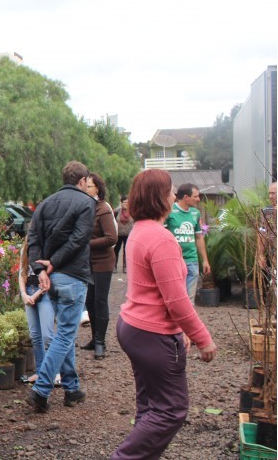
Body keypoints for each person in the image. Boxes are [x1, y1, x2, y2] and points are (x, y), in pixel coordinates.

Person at [111, 169, 217, 459]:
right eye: (170, 191)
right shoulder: (161, 238)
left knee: (150, 407)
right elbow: (177, 300)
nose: (173, 196)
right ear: (160, 197)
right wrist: (202, 337)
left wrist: (181, 331)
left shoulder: (139, 231)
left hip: (134, 328)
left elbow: (158, 291)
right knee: (171, 410)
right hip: (151, 333)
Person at [25, 160, 95, 413]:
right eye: (87, 182)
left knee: (64, 335)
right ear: (81, 181)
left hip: (48, 280)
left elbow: (32, 240)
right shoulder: (87, 203)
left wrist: (41, 269)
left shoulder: (44, 204)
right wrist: (52, 264)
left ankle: (72, 388)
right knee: (65, 334)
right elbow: (79, 239)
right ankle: (41, 390)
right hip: (72, 276)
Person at [80, 172, 117, 359]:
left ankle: (101, 342)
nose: (85, 189)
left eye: (89, 186)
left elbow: (112, 238)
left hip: (102, 261)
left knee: (100, 300)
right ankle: (94, 338)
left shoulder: (103, 209)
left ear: (97, 189)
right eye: (84, 185)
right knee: (89, 301)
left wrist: (86, 244)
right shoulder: (84, 207)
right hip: (87, 262)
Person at [164, 183, 211, 302]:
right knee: (176, 295)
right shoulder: (170, 211)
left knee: (189, 299)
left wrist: (205, 260)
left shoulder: (195, 213)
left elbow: (199, 237)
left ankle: (188, 315)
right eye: (195, 196)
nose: (198, 199)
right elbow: (162, 234)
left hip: (192, 260)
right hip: (174, 260)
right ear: (186, 197)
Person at [18, 236, 55, 384]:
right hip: (29, 289)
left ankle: (55, 371)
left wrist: (35, 295)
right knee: (35, 335)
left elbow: (50, 275)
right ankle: (40, 372)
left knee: (48, 336)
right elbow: (22, 273)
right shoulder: (26, 248)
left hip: (45, 293)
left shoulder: (49, 248)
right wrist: (24, 295)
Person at [113, 195, 133, 272]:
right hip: (118, 234)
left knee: (126, 251)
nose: (126, 204)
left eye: (128, 202)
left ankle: (125, 267)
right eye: (124, 202)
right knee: (116, 250)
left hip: (128, 234)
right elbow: (113, 221)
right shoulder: (117, 211)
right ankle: (114, 266)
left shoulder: (132, 211)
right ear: (121, 203)